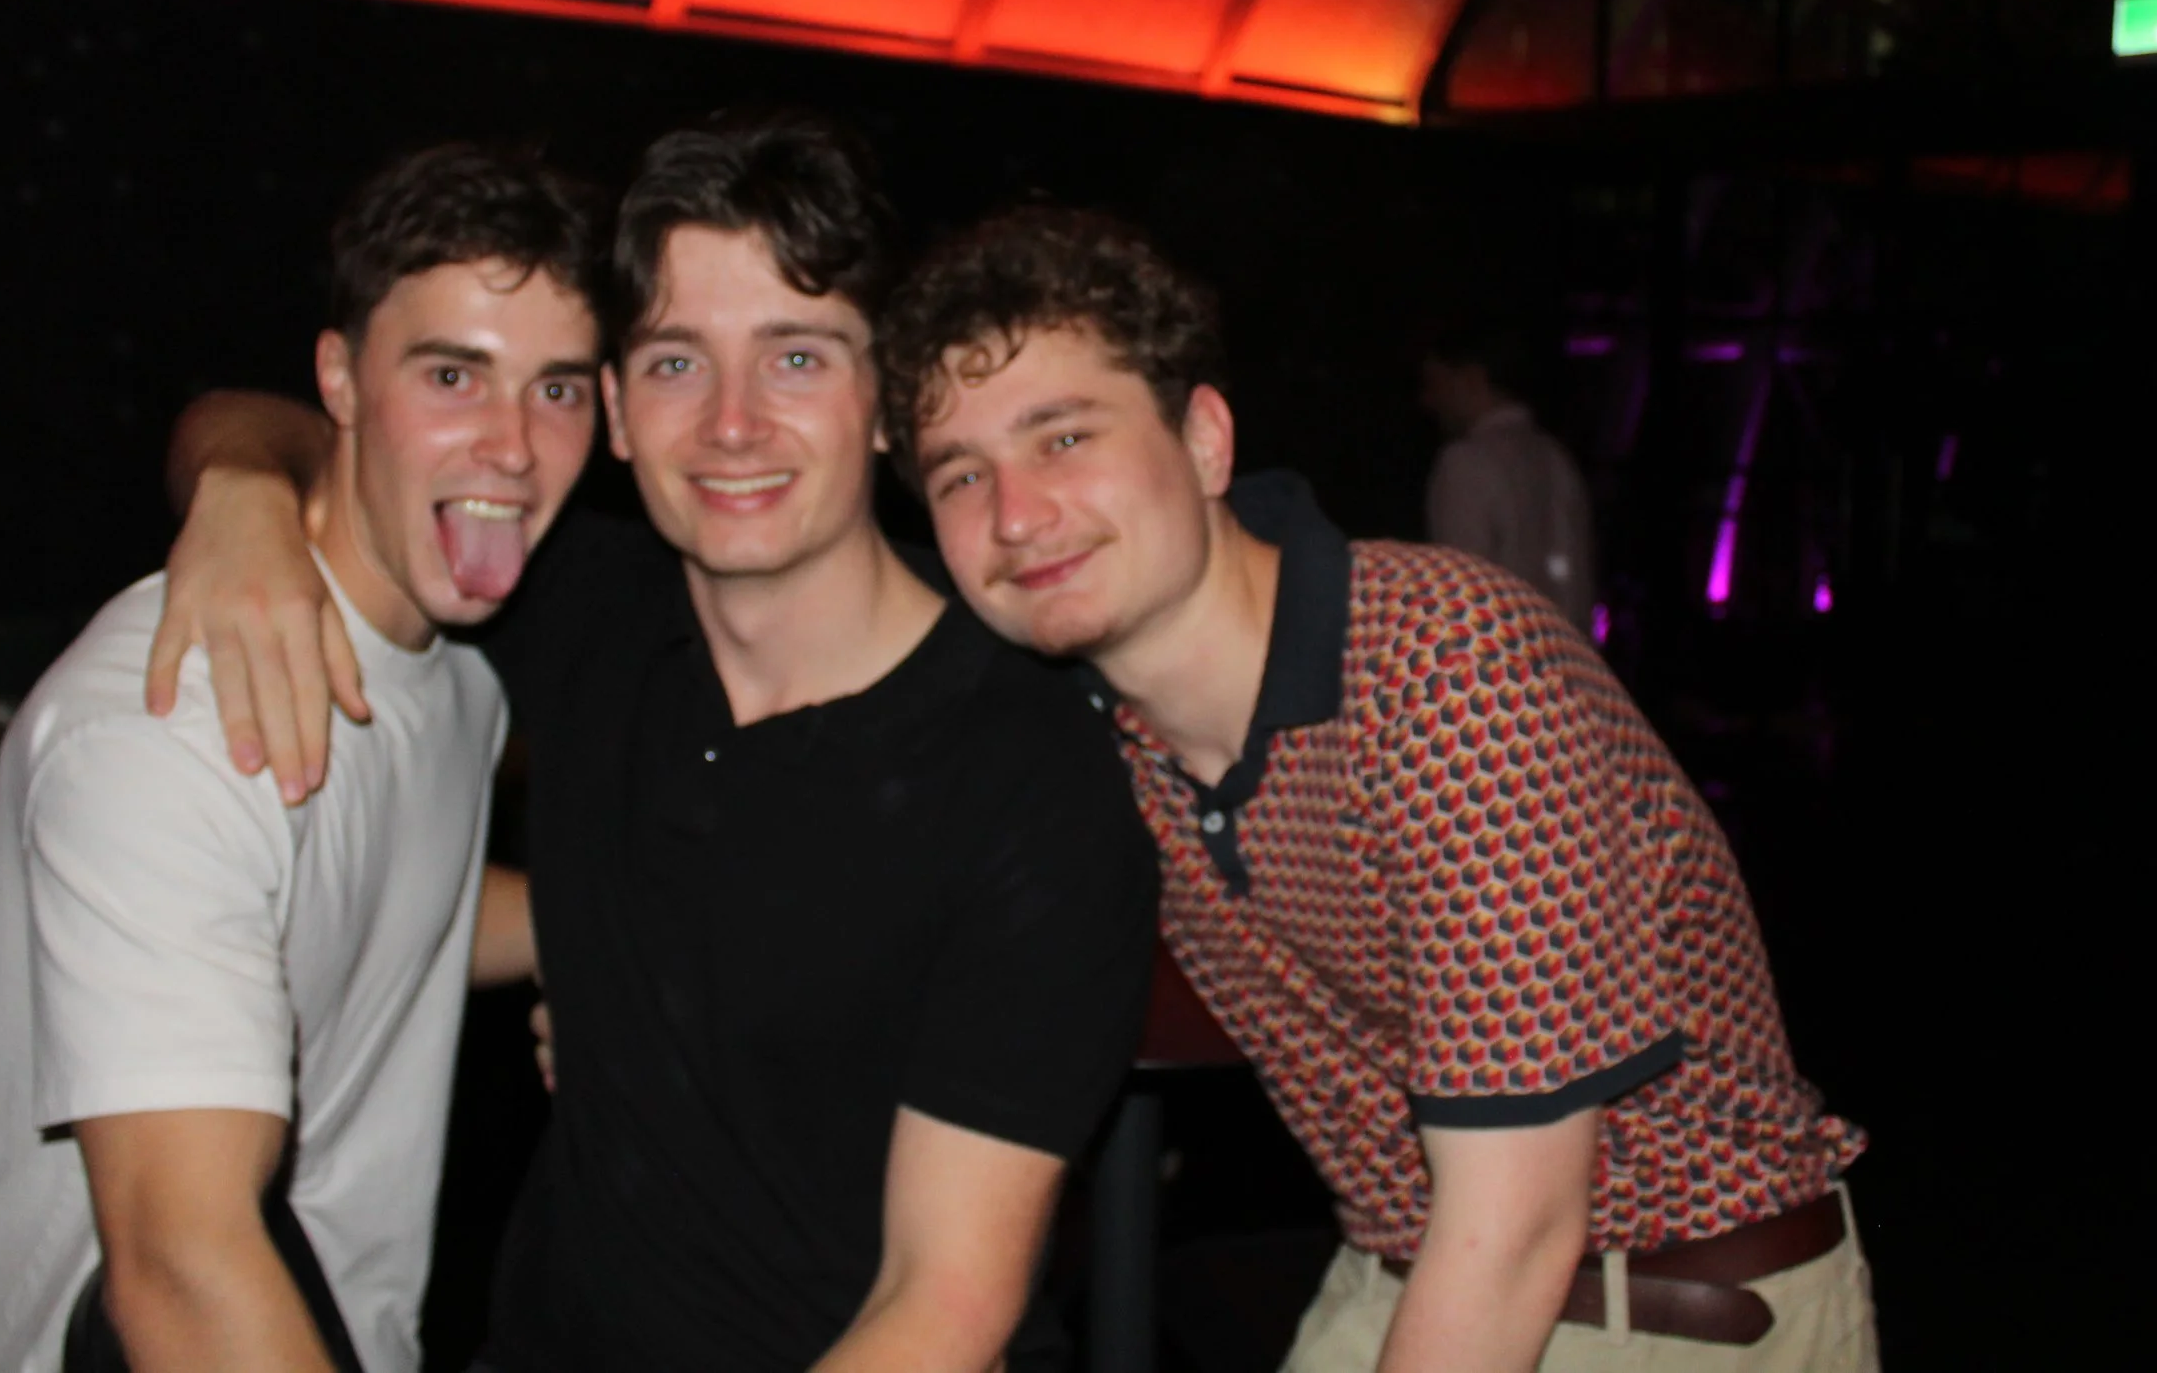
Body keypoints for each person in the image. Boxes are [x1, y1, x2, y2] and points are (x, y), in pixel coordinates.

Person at [145, 112, 1158, 1373]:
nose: (731, 423)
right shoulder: (583, 608)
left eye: (795, 357)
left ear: (886, 404)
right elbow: (283, 422)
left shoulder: (1026, 773)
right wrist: (243, 494)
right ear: (617, 410)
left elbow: (942, 1310)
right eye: (679, 363)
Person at [877, 208, 1877, 1373]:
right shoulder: (1097, 728)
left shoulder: (1444, 671)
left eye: (1061, 438)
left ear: (1203, 440)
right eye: (960, 472)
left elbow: (1515, 1230)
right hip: (1404, 1265)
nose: (1013, 513)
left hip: (1659, 1301)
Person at [0, 144, 606, 1373]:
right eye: (451, 373)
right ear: (341, 379)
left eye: (559, 388)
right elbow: (181, 1267)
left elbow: (378, 897)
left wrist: (634, 947)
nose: (513, 446)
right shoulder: (167, 723)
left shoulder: (457, 682)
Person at [1418, 326, 1596, 630]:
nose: (1428, 399)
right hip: (1565, 659)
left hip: (1502, 663)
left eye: (1436, 382)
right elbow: (1575, 581)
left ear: (1472, 378)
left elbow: (1463, 596)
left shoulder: (1465, 462)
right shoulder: (1554, 457)